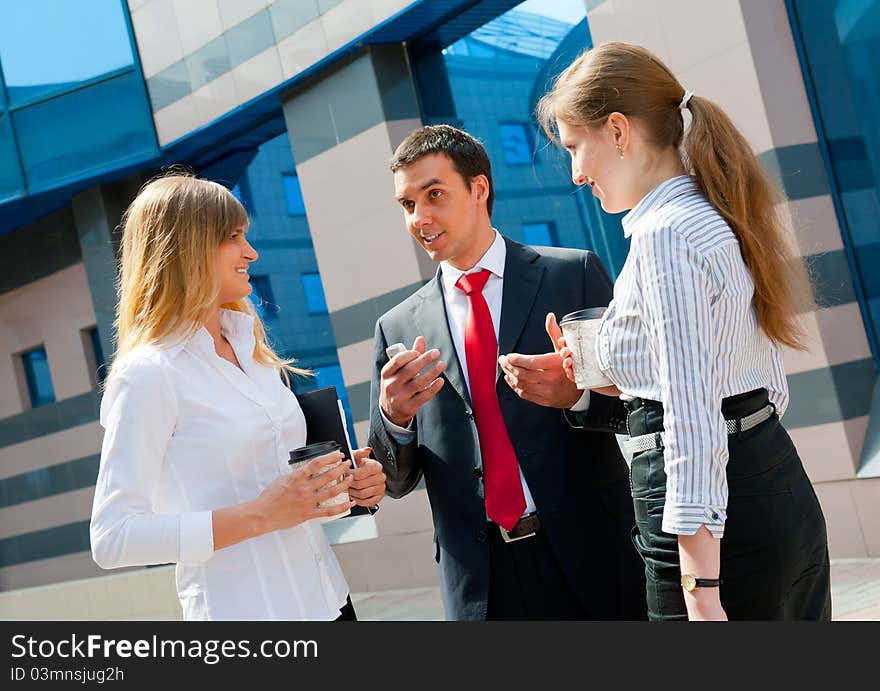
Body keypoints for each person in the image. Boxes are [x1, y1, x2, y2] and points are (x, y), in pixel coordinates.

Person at [537, 42, 831, 621]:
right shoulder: (713, 209)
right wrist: (615, 377)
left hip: (713, 525)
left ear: (618, 132)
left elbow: (693, 415)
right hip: (766, 485)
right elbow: (752, 378)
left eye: (575, 147)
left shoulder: (665, 235)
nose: (575, 173)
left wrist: (701, 591)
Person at [368, 124, 646, 621]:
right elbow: (394, 480)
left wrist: (577, 396)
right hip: (482, 582)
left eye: (434, 195)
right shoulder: (397, 328)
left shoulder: (572, 275)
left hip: (595, 554)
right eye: (407, 205)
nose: (420, 218)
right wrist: (393, 418)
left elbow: (638, 407)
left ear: (479, 188)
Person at [89, 174, 387, 621]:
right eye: (233, 238)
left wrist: (345, 487)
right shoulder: (149, 376)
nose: (251, 252)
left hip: (329, 602)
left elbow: (285, 496)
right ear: (186, 248)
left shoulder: (256, 356)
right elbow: (112, 538)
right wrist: (260, 515)